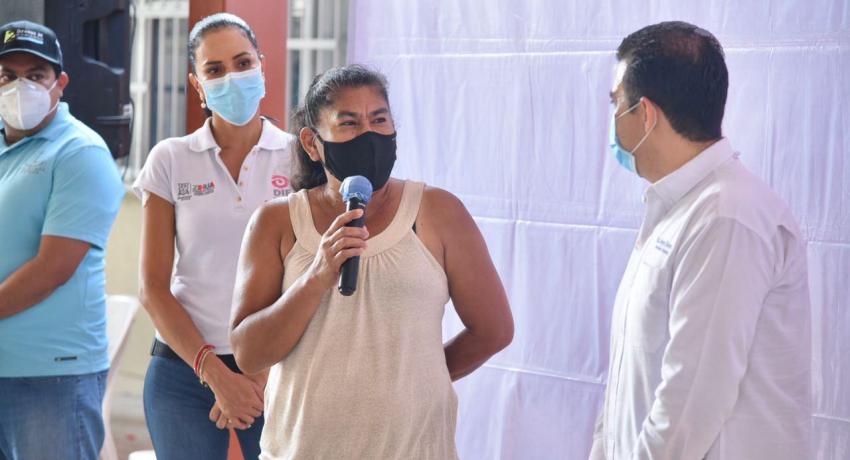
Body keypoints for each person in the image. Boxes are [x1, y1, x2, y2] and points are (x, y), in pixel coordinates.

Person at [229, 64, 514, 459]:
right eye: (349, 124)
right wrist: (317, 275)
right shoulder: (276, 222)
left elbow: (494, 330)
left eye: (379, 120)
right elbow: (249, 353)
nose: (369, 135)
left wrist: (418, 378)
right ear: (313, 143)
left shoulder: (438, 211)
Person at [590, 21, 811, 460]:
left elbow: (690, 404)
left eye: (617, 104)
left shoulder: (726, 217)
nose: (613, 120)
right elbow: (628, 382)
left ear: (646, 114)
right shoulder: (679, 210)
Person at [133, 13, 293, 460]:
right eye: (215, 70)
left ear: (261, 64)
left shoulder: (299, 158)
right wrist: (216, 376)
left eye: (243, 63)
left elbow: (310, 278)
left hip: (277, 368)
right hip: (184, 370)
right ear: (197, 84)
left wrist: (256, 380)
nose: (232, 77)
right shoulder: (170, 159)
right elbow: (152, 287)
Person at [0, 20, 125, 460]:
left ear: (61, 83)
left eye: (36, 75)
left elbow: (52, 269)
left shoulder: (79, 153)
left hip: (50, 374)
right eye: (7, 76)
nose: (21, 86)